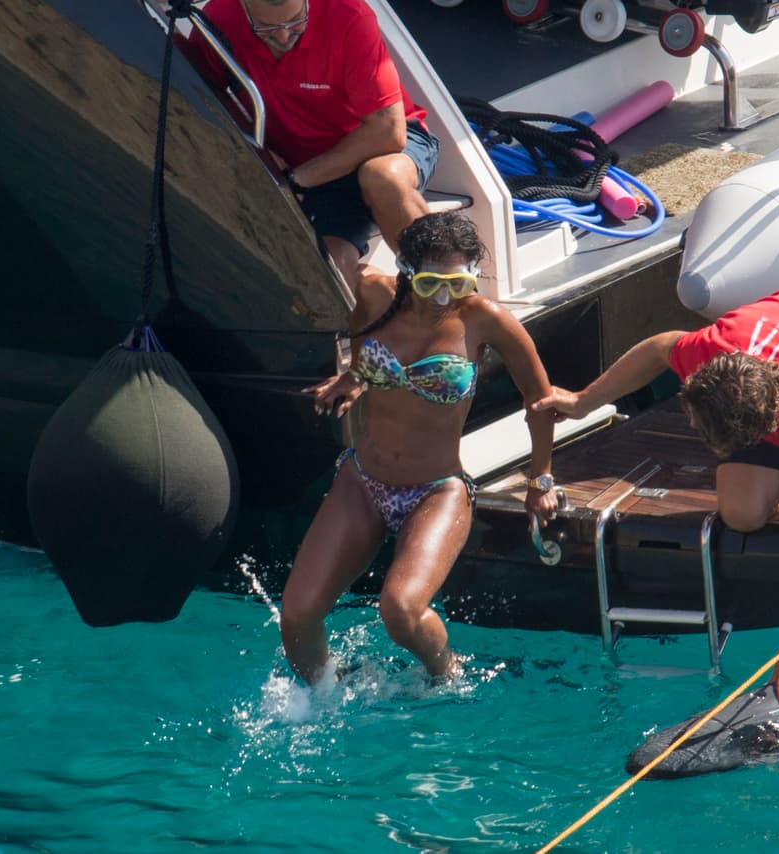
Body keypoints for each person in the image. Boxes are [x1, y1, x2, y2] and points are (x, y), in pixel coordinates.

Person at [532, 289, 779, 710]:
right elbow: (659, 349)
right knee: (742, 514)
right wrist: (582, 402)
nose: (691, 425)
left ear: (759, 431)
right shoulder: (712, 352)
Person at [283, 211, 560, 684]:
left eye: (458, 284)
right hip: (363, 481)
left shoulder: (485, 320)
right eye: (431, 284)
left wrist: (541, 479)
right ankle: (330, 692)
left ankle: (448, 678)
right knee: (297, 617)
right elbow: (361, 337)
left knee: (401, 611)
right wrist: (355, 377)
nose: (444, 298)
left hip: (436, 490)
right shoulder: (375, 295)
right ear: (406, 272)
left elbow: (540, 401)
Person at [179, 0, 437, 289]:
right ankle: (386, 298)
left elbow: (388, 131)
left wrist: (295, 180)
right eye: (266, 28)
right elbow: (201, 90)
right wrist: (258, 151)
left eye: (294, 22)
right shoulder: (219, 15)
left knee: (384, 177)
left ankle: (448, 286)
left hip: (379, 147)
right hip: (305, 168)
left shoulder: (349, 16)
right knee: (325, 280)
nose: (283, 37)